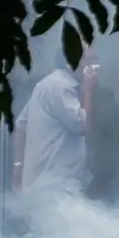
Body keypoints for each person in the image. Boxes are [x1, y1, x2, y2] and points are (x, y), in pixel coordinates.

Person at [13, 51, 95, 196]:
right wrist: (89, 88)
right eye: (88, 60)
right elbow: (83, 124)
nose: (93, 66)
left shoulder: (49, 83)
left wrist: (18, 166)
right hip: (57, 186)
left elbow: (21, 124)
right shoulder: (62, 87)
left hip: (42, 184)